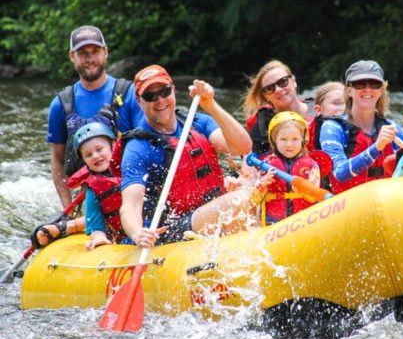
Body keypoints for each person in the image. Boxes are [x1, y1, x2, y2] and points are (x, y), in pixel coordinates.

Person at [120, 65, 254, 248]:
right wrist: (137, 233)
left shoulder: (199, 122)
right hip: (172, 230)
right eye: (150, 96)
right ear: (138, 100)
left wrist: (211, 106)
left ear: (173, 90)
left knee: (251, 192)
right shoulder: (138, 147)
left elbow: (242, 147)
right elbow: (130, 205)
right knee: (238, 201)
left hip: (209, 214)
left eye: (164, 91)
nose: (160, 100)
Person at [47, 25, 144, 208]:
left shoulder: (130, 94)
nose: (90, 59)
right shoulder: (60, 105)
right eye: (83, 53)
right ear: (72, 56)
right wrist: (69, 210)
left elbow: (146, 145)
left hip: (130, 195)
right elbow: (58, 161)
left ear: (105, 52)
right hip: (86, 199)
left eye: (95, 51)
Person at [318, 60, 403, 194]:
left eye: (374, 84)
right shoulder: (333, 128)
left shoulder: (392, 128)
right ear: (349, 90)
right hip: (349, 204)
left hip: (387, 202)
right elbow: (340, 173)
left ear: (381, 90)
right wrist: (377, 147)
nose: (367, 89)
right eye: (360, 84)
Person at [253, 112, 332, 225]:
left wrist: (303, 188)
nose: (289, 144)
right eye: (283, 139)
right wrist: (263, 184)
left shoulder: (312, 165)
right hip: (274, 222)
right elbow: (255, 199)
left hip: (305, 220)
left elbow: (313, 198)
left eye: (295, 139)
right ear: (274, 141)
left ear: (303, 140)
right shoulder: (266, 165)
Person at [67, 122, 128, 250]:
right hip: (127, 237)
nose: (95, 156)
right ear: (84, 161)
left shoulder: (131, 167)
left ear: (113, 146)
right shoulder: (93, 189)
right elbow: (96, 227)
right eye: (88, 155)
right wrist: (99, 237)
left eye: (99, 149)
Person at [243, 60, 311, 156]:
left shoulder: (321, 110)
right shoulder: (262, 127)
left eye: (283, 82)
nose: (278, 90)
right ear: (265, 96)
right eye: (270, 88)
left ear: (294, 81)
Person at [307, 81, 345, 151]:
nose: (344, 108)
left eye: (348, 103)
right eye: (336, 103)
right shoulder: (307, 136)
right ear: (318, 110)